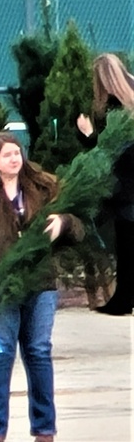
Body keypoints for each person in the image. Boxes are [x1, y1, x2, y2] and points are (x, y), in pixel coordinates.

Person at [0, 132, 85, 442]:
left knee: (39, 352)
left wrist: (64, 223)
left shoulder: (44, 189)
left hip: (41, 285)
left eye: (17, 152)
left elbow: (80, 223)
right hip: (1, 290)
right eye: (7, 155)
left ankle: (44, 429)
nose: (14, 158)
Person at [76, 53, 134, 315]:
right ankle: (123, 299)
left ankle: (123, 300)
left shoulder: (115, 107)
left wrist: (88, 135)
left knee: (126, 245)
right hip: (126, 185)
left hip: (125, 187)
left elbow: (105, 152)